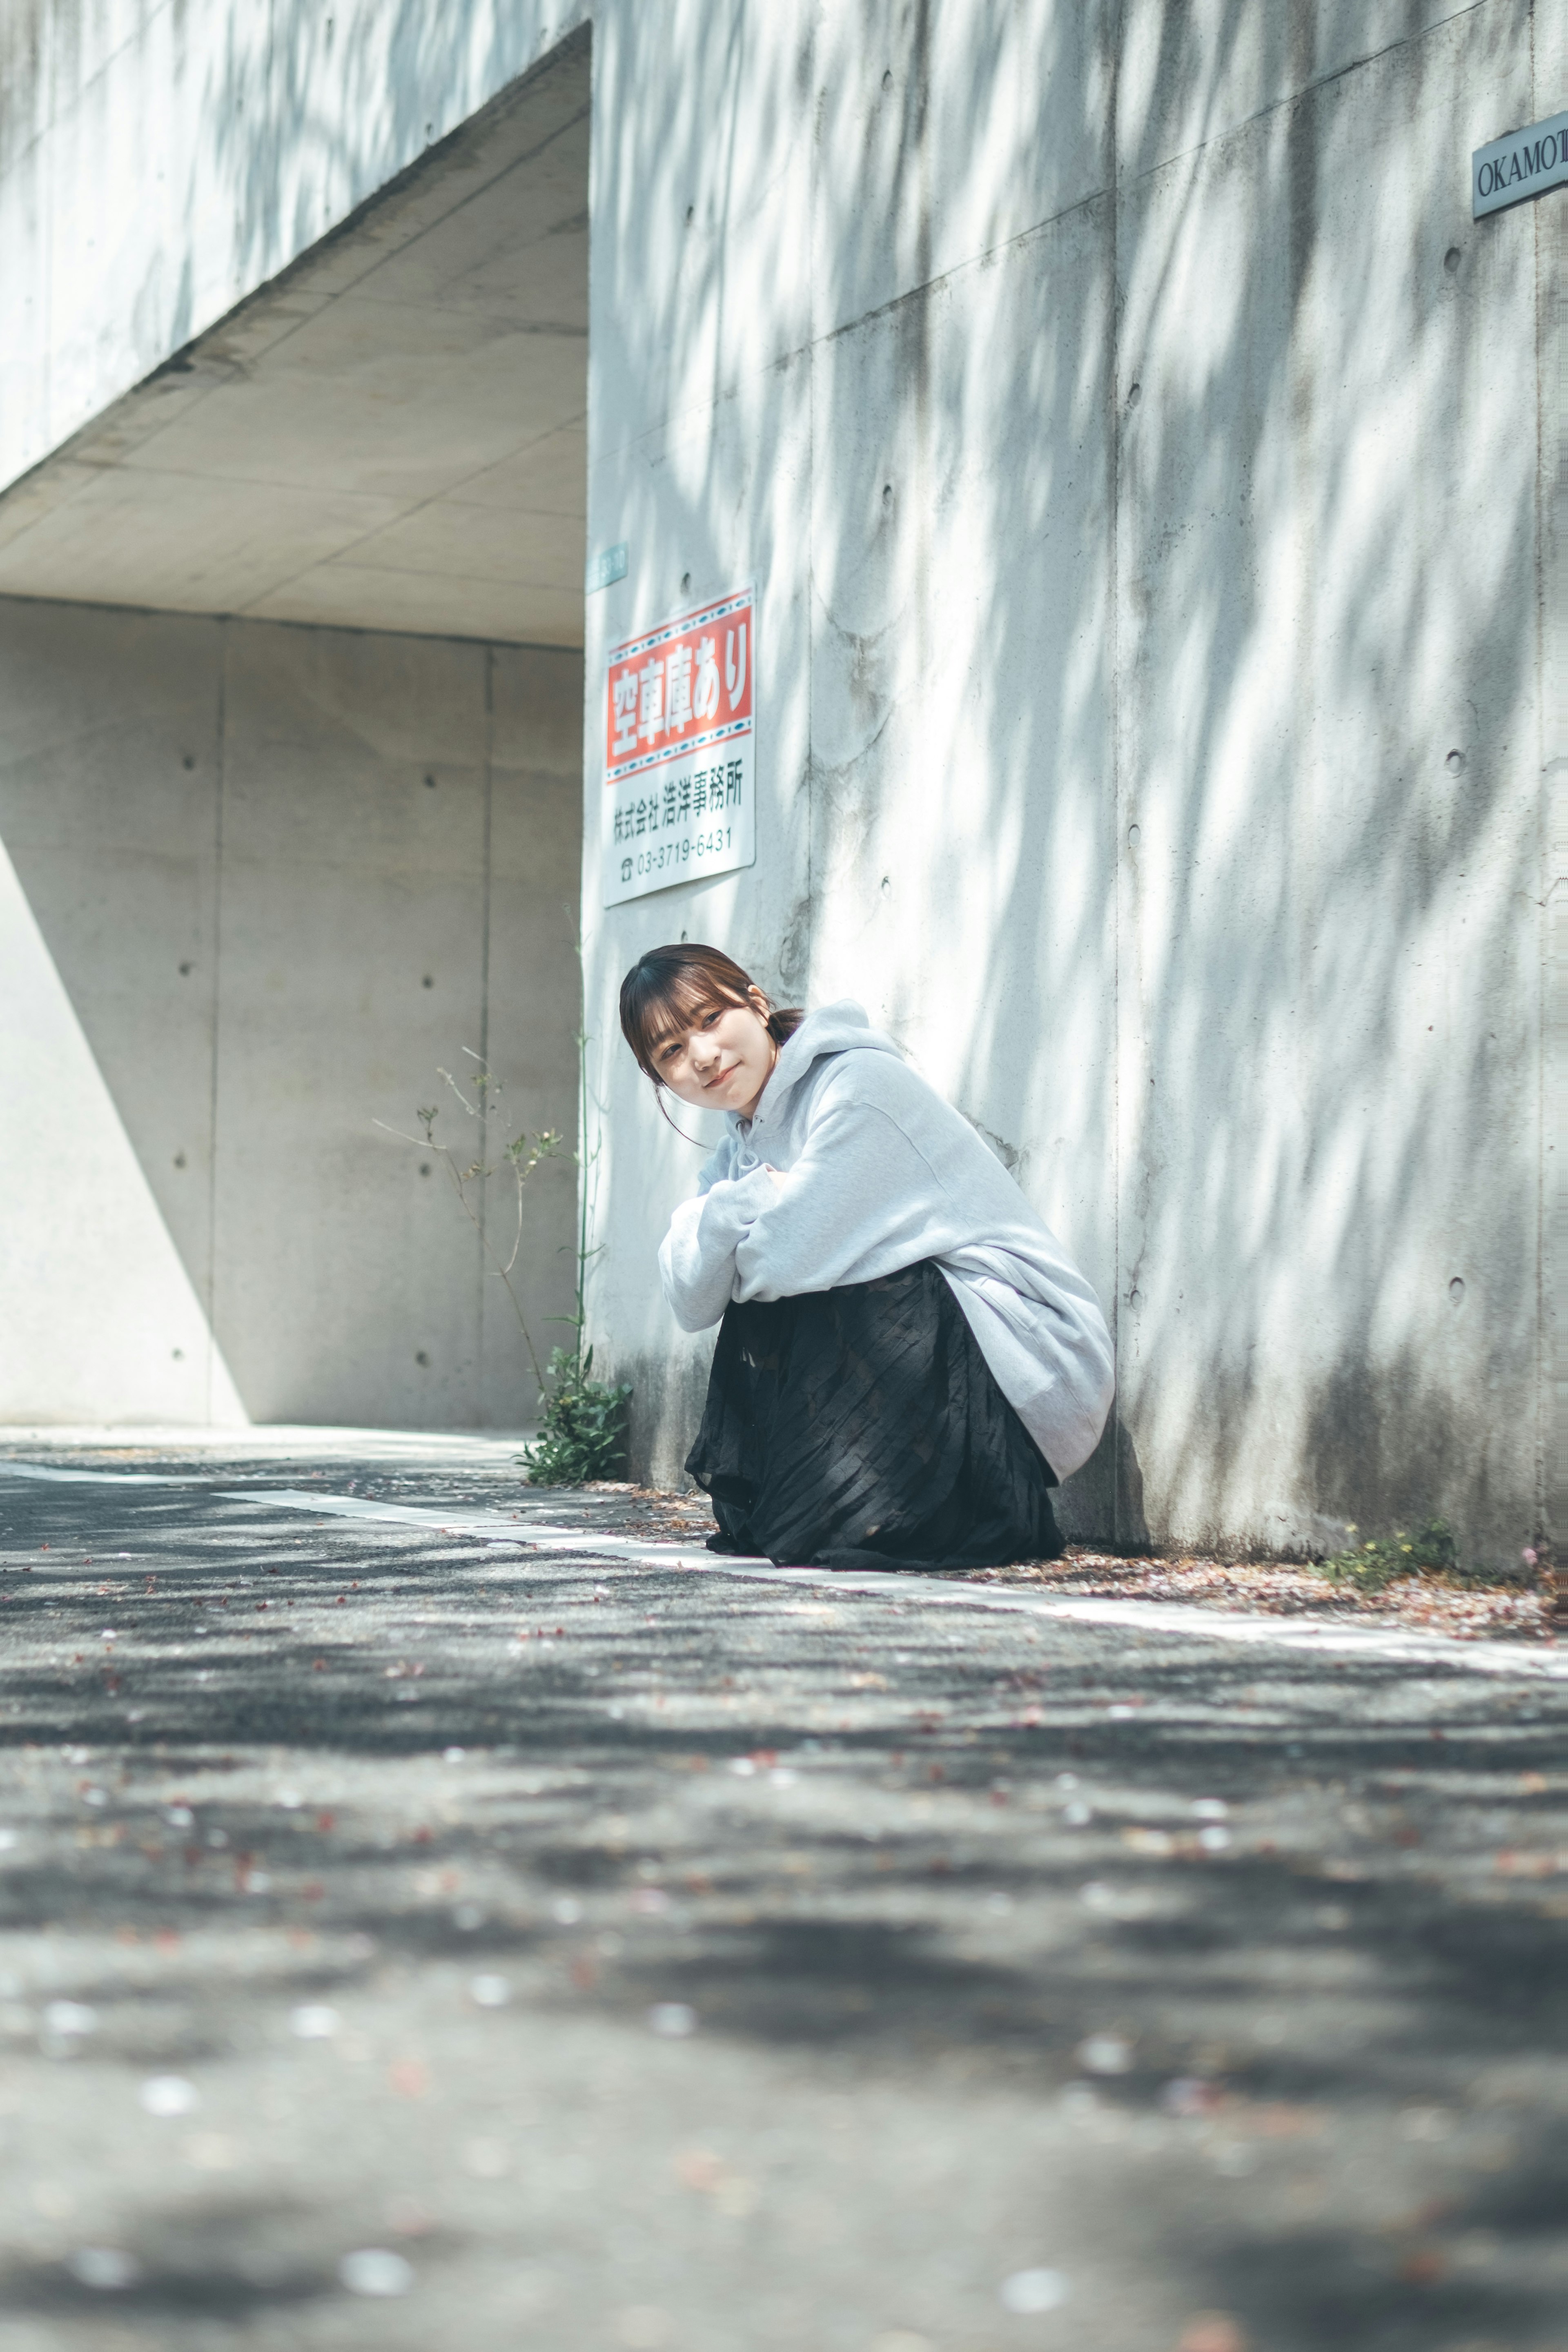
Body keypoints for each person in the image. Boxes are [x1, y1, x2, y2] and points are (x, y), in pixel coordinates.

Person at [619, 942, 1114, 1571]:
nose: (702, 1055)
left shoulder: (856, 1085)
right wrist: (728, 1209)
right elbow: (692, 1301)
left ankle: (939, 1511)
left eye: (711, 1019)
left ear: (756, 1003)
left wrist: (726, 1241)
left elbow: (786, 1258)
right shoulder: (742, 1145)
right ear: (661, 1077)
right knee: (768, 1302)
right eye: (670, 1052)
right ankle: (850, 1509)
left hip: (1031, 1357)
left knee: (836, 1284)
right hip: (954, 1366)